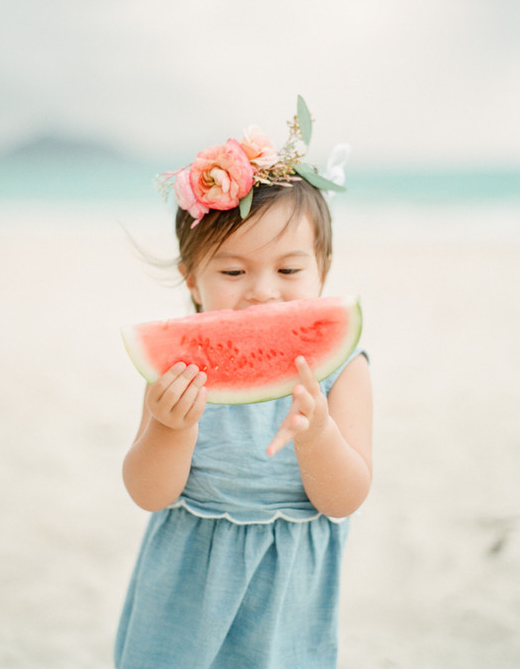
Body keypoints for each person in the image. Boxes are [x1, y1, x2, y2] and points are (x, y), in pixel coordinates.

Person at [115, 99, 373, 669]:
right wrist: (169, 429)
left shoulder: (345, 370)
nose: (262, 292)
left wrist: (318, 436)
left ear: (323, 271)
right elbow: (148, 493)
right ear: (192, 279)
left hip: (287, 604)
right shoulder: (179, 372)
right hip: (184, 595)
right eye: (233, 271)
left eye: (289, 270)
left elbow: (345, 499)